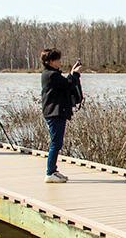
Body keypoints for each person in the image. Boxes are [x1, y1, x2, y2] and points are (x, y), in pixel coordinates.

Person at [41, 48, 82, 183]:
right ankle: (50, 172)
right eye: (57, 59)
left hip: (54, 112)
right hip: (54, 113)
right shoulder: (51, 75)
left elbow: (65, 84)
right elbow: (68, 85)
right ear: (51, 61)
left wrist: (72, 73)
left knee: (56, 142)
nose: (60, 61)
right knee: (56, 143)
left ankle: (53, 170)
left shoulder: (51, 74)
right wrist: (75, 75)